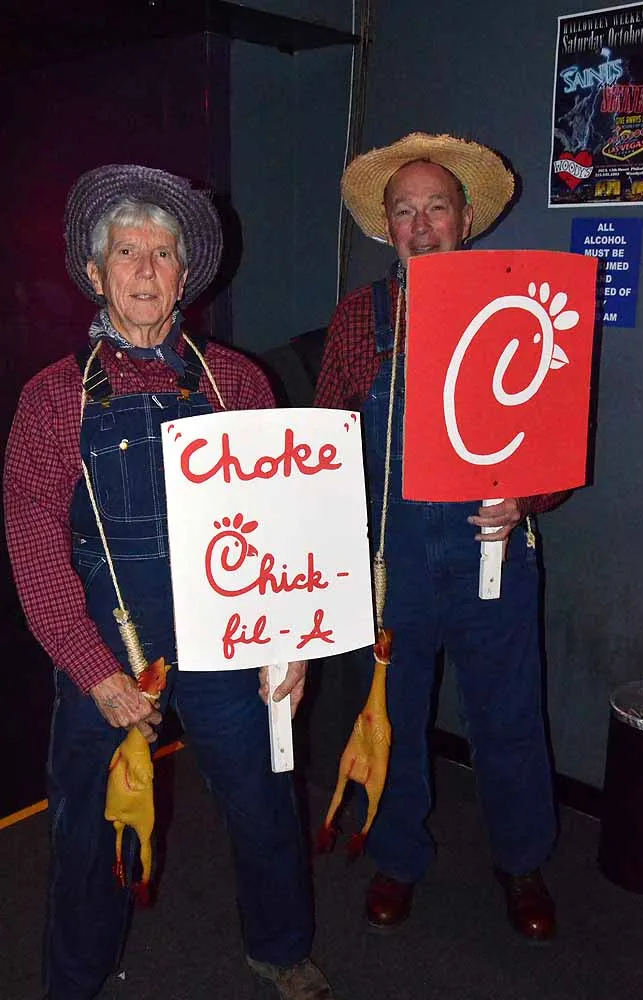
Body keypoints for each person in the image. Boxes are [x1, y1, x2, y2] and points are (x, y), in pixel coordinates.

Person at [4, 164, 333, 1000]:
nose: (145, 270)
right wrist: (95, 673)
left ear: (186, 276)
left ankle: (281, 948)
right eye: (126, 252)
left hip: (230, 647)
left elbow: (284, 522)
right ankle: (74, 980)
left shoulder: (239, 383)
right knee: (89, 828)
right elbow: (34, 548)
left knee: (265, 803)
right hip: (109, 648)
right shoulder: (52, 400)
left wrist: (290, 642)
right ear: (95, 271)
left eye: (162, 253)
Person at [316, 133, 570, 941]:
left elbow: (556, 435)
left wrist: (529, 497)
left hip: (493, 552)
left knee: (509, 717)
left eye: (436, 208)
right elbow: (325, 440)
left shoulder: (517, 304)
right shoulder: (359, 318)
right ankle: (397, 855)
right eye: (405, 211)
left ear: (465, 219)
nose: (421, 226)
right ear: (386, 226)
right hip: (392, 563)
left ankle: (522, 861)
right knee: (388, 715)